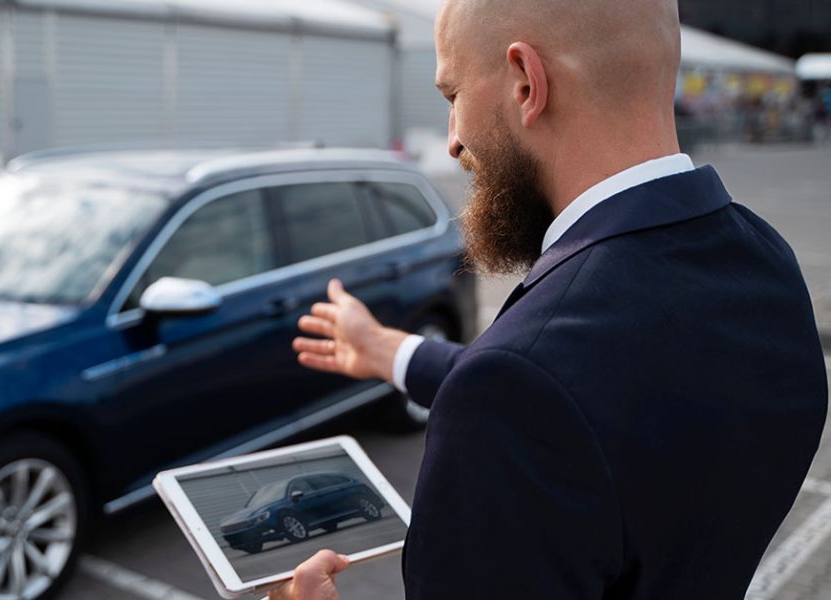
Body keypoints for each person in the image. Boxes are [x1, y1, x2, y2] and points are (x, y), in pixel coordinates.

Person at [275, 0, 828, 598]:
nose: (454, 142)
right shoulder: (766, 263)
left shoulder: (523, 385)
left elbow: (539, 390)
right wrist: (389, 351)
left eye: (452, 95)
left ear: (525, 83)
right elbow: (587, 396)